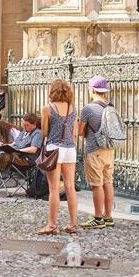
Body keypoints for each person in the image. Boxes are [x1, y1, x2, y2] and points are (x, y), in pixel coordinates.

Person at [37, 79, 78, 235]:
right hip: (70, 149)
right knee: (70, 187)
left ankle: (52, 225)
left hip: (54, 149)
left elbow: (45, 133)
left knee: (54, 189)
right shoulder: (73, 108)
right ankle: (72, 224)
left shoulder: (47, 108)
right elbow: (73, 134)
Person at [0, 113, 43, 199]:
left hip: (23, 158)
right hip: (11, 153)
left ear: (34, 124)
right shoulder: (24, 132)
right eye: (23, 124)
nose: (24, 127)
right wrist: (3, 145)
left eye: (26, 125)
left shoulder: (38, 133)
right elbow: (14, 144)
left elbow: (33, 149)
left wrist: (17, 150)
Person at [78, 75, 116, 229]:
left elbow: (80, 131)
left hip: (94, 149)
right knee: (108, 182)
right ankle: (108, 216)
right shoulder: (111, 106)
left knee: (97, 185)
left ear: (92, 89)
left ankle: (98, 218)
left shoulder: (88, 108)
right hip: (109, 149)